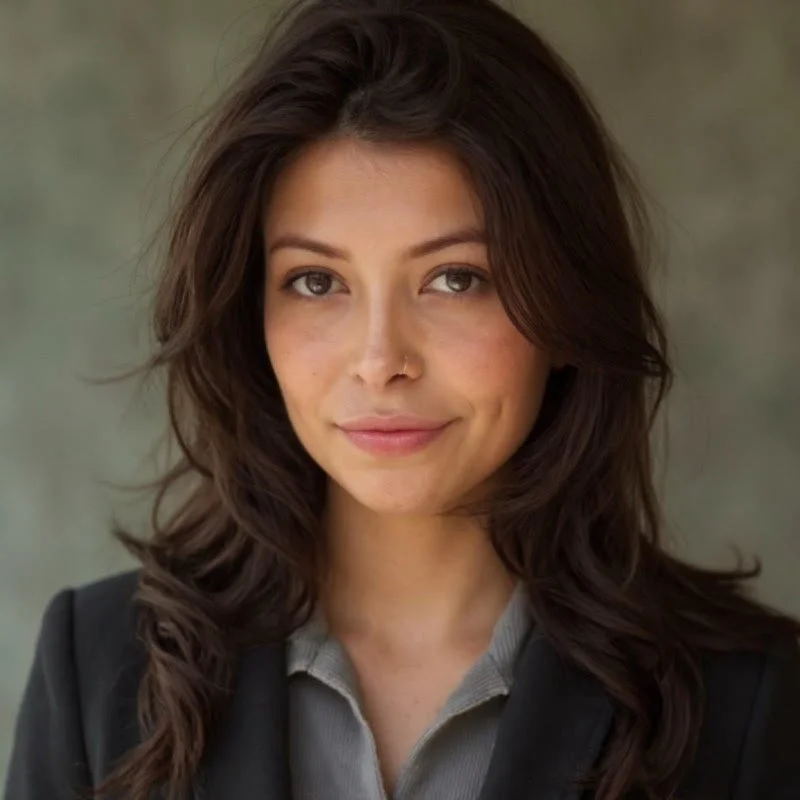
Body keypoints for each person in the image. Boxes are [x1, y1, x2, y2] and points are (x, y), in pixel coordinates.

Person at [5, 0, 800, 798]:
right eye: (316, 282)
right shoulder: (99, 670)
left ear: (564, 306)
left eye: (456, 279)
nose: (380, 360)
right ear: (253, 318)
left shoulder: (746, 701)